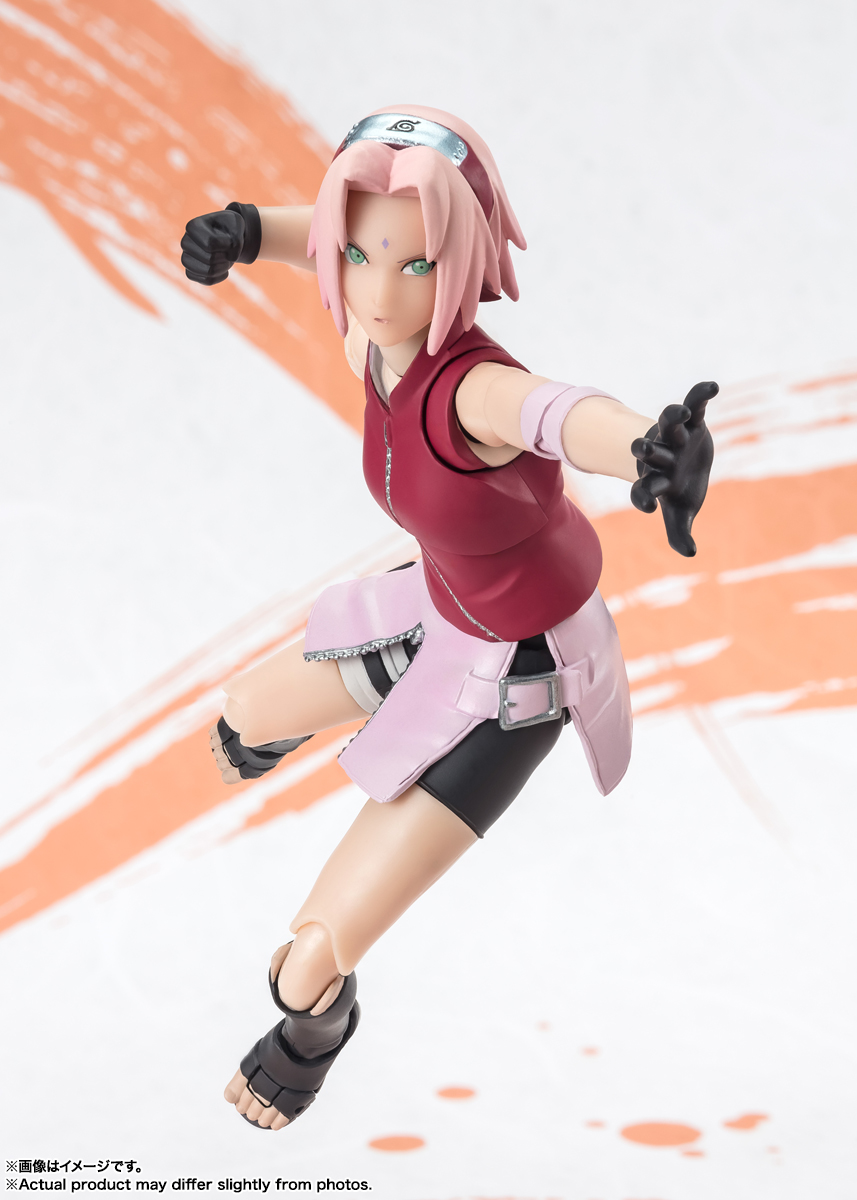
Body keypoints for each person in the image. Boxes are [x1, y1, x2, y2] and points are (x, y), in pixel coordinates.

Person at [180, 105, 715, 1131]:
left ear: (459, 263)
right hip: (433, 606)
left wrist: (647, 445)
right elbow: (328, 234)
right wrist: (247, 230)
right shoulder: (370, 337)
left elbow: (554, 413)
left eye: (416, 266)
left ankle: (314, 1036)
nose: (380, 292)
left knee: (303, 967)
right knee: (240, 721)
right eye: (360, 259)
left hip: (519, 674)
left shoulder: (471, 387)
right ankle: (312, 725)